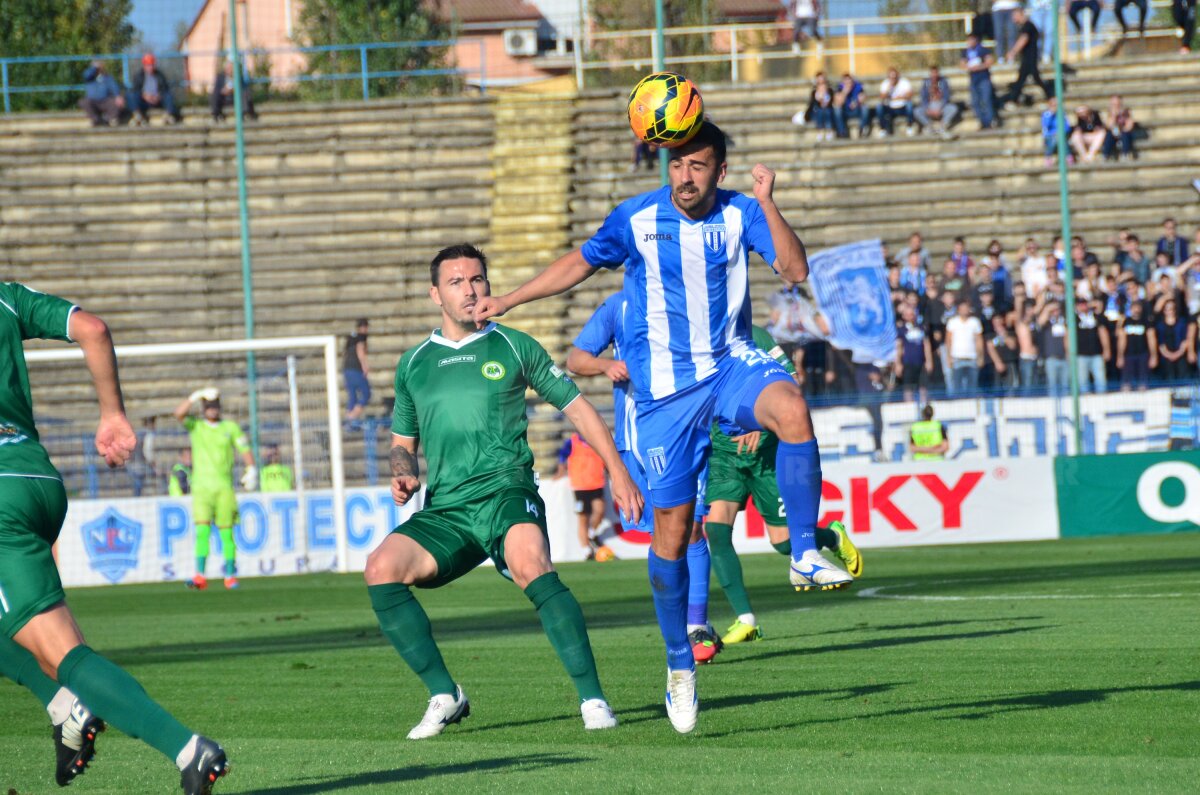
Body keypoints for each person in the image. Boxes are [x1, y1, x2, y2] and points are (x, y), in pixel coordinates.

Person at [472, 121, 850, 734]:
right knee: (673, 536)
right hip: (664, 400)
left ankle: (804, 552)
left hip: (729, 365)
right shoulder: (637, 218)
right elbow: (580, 262)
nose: (685, 176)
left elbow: (795, 268)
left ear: (719, 172)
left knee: (793, 409)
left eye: (697, 166)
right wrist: (509, 300)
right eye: (676, 164)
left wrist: (770, 203)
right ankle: (680, 664)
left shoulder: (742, 213)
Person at [366, 243, 639, 739]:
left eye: (477, 279)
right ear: (436, 295)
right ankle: (445, 695)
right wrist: (402, 471)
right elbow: (402, 441)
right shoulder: (414, 364)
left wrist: (617, 471)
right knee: (381, 570)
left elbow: (575, 407)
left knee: (531, 565)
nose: (469, 290)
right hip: (447, 507)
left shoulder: (513, 345)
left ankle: (593, 699)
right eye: (456, 282)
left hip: (506, 490)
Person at [0, 283, 228, 792]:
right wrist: (112, 414)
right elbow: (93, 329)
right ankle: (65, 707)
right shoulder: (7, 298)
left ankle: (187, 749)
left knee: (66, 654)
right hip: (35, 478)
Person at [565, 291, 718, 662]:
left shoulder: (691, 296)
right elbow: (575, 360)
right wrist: (604, 366)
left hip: (687, 430)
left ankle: (696, 624)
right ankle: (678, 627)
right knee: (664, 535)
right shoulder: (617, 307)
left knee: (693, 527)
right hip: (637, 443)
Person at [705, 326, 862, 646]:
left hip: (765, 456)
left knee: (782, 542)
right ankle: (746, 619)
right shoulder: (694, 343)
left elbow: (791, 385)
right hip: (723, 456)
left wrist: (758, 420)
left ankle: (831, 536)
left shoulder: (754, 336)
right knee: (716, 531)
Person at [173, 387, 257, 590]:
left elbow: (244, 449)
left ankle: (230, 576)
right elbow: (179, 414)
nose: (212, 410)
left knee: (226, 533)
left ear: (219, 407)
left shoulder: (230, 428)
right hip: (201, 489)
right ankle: (200, 576)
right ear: (203, 408)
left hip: (224, 489)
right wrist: (194, 396)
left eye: (214, 406)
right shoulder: (197, 427)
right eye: (208, 406)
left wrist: (251, 468)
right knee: (202, 532)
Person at [554, 433, 610, 560]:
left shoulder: (597, 439)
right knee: (583, 518)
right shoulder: (572, 442)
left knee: (600, 510)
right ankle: (586, 550)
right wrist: (560, 471)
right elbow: (562, 457)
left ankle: (591, 533)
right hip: (580, 485)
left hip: (596, 483)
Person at [998, 7, 1053, 107]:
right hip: (1028, 57)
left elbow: (1024, 39)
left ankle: (1051, 96)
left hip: (1030, 57)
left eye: (1014, 16)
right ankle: (1014, 99)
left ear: (1020, 14)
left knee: (1029, 78)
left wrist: (1013, 52)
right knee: (1023, 78)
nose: (1013, 19)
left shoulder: (1028, 26)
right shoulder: (1026, 26)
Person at [129, 53, 181, 125]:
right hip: (144, 101)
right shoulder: (138, 76)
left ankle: (168, 115)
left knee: (168, 95)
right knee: (131, 95)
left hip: (158, 100)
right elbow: (135, 89)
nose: (150, 67)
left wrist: (158, 96)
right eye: (148, 65)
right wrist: (144, 95)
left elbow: (165, 88)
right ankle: (137, 116)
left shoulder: (160, 75)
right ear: (144, 66)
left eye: (151, 65)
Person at [945, 299, 985, 394]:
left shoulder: (975, 322)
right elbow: (948, 340)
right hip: (957, 358)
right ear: (958, 310)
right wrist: (949, 357)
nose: (964, 310)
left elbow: (979, 340)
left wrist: (980, 356)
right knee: (957, 386)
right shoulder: (952, 322)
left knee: (972, 386)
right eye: (962, 308)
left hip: (972, 358)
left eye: (966, 308)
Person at [961, 33, 997, 130]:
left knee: (986, 100)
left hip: (984, 78)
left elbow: (990, 61)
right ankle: (982, 121)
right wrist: (969, 67)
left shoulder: (982, 50)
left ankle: (989, 121)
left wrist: (979, 67)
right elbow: (962, 63)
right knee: (975, 102)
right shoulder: (965, 51)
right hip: (973, 79)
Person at [1117, 300, 1155, 390]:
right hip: (1128, 354)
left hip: (1143, 353)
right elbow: (1121, 339)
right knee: (1126, 383)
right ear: (1130, 309)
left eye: (1138, 308)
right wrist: (1120, 356)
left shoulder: (1146, 321)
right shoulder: (1125, 322)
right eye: (1134, 308)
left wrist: (1153, 356)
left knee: (1143, 382)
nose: (1136, 310)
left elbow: (1151, 338)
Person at [1076, 298, 1111, 392]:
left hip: (1097, 353)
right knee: (1082, 380)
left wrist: (1106, 349)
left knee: (1100, 379)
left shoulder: (1096, 317)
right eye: (1080, 304)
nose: (1082, 307)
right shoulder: (1074, 319)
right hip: (1081, 354)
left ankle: (1102, 398)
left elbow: (1103, 333)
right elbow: (1068, 335)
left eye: (1084, 304)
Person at [915, 65, 959, 138]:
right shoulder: (926, 82)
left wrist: (940, 108)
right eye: (932, 73)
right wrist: (927, 109)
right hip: (930, 105)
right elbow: (923, 98)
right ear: (930, 74)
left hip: (941, 105)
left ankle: (943, 126)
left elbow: (946, 97)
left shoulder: (943, 82)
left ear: (938, 73)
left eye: (936, 73)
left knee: (953, 108)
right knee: (917, 111)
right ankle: (929, 126)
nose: (934, 75)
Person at [79, 61, 124, 127]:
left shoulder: (108, 77)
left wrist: (118, 96)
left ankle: (108, 119)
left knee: (116, 102)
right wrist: (94, 68)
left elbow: (114, 87)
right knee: (84, 102)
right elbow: (86, 74)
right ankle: (96, 119)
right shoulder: (89, 78)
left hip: (105, 100)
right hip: (93, 101)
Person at [344, 318, 371, 423]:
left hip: (347, 369)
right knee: (366, 393)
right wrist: (365, 366)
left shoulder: (351, 337)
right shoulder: (361, 337)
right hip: (356, 369)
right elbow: (360, 350)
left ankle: (349, 423)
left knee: (352, 397)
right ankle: (352, 417)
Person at [876, 67, 915, 137]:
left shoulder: (904, 82)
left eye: (895, 77)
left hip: (902, 107)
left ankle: (910, 127)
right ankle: (883, 129)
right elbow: (881, 97)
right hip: (890, 108)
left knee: (910, 105)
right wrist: (889, 88)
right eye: (891, 77)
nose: (893, 79)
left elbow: (910, 95)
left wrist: (900, 97)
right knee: (879, 107)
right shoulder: (885, 84)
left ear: (898, 76)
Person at [832, 72, 868, 138]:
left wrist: (857, 102)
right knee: (837, 110)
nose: (848, 83)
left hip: (856, 110)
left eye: (850, 81)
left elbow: (863, 98)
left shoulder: (858, 87)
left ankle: (862, 130)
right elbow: (838, 103)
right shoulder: (839, 88)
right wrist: (844, 93)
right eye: (846, 81)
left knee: (865, 108)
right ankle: (842, 132)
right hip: (845, 112)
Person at [1042, 96, 1072, 168]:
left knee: (1060, 138)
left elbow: (1067, 127)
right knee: (1055, 140)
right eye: (1053, 105)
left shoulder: (1062, 114)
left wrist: (1060, 132)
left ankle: (1049, 157)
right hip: (1050, 136)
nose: (1054, 107)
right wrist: (1052, 115)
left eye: (1056, 105)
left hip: (1061, 134)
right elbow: (1046, 126)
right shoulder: (1046, 115)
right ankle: (1068, 156)